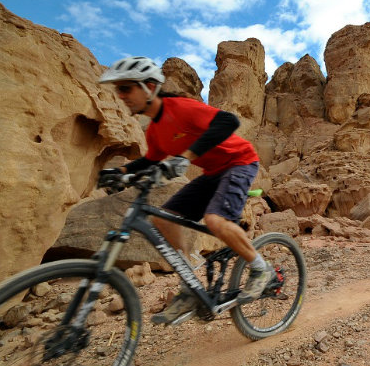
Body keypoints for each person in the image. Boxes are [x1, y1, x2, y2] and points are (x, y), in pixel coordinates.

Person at [97, 56, 273, 325]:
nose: (121, 96)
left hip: (240, 162)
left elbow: (227, 122)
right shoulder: (155, 130)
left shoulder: (180, 108)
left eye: (126, 88)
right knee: (162, 217)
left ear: (150, 87)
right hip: (213, 172)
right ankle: (190, 283)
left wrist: (186, 156)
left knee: (215, 220)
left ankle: (262, 270)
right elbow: (151, 160)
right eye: (118, 90)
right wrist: (120, 172)